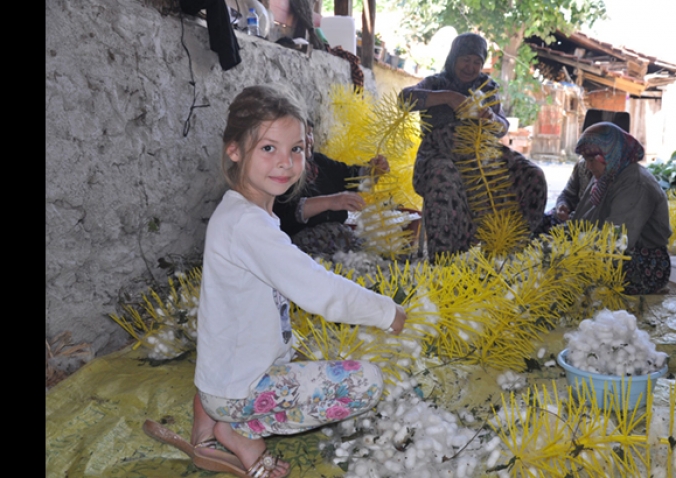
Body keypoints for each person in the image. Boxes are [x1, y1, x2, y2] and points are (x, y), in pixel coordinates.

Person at [143, 84, 407, 478]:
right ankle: (239, 429)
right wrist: (387, 312)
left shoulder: (245, 213)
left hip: (226, 378)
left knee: (280, 341)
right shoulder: (248, 225)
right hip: (237, 390)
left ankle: (210, 418)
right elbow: (318, 289)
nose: (285, 162)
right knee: (365, 383)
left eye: (296, 149)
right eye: (269, 148)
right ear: (235, 150)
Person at [399, 32, 548, 258]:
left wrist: (491, 119)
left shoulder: (488, 87)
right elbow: (404, 100)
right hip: (440, 156)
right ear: (453, 58)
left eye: (477, 62)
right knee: (444, 178)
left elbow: (503, 126)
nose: (470, 67)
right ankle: (446, 260)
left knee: (532, 174)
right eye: (465, 59)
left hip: (483, 155)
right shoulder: (437, 82)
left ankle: (510, 248)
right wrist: (447, 97)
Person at [570, 122, 672, 295]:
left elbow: (616, 242)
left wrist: (572, 257)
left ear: (610, 155)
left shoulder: (635, 183)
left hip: (643, 262)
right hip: (605, 249)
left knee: (575, 276)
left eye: (591, 160)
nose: (588, 166)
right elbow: (580, 221)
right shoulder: (605, 177)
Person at [272, 120, 389, 256]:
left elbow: (348, 177)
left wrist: (372, 170)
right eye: (301, 135)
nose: (308, 140)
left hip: (338, 239)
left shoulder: (318, 162)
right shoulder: (280, 171)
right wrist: (331, 202)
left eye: (309, 133)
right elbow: (286, 214)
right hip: (304, 248)